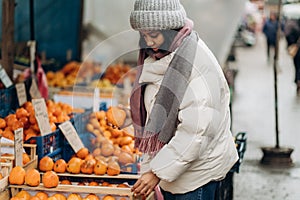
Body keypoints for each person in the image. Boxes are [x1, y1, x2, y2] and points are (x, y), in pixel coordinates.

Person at [127, 0, 239, 199]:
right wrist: (129, 114)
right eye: (143, 35)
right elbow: (161, 106)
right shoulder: (161, 55)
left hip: (196, 175)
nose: (149, 42)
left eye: (153, 35)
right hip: (173, 169)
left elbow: (196, 132)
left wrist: (156, 172)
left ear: (171, 29)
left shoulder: (194, 64)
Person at [284, 18, 300, 96]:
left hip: (296, 51)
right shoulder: (294, 28)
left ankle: (297, 80)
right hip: (297, 51)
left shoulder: (293, 28)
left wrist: (292, 44)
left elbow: (288, 37)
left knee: (297, 67)